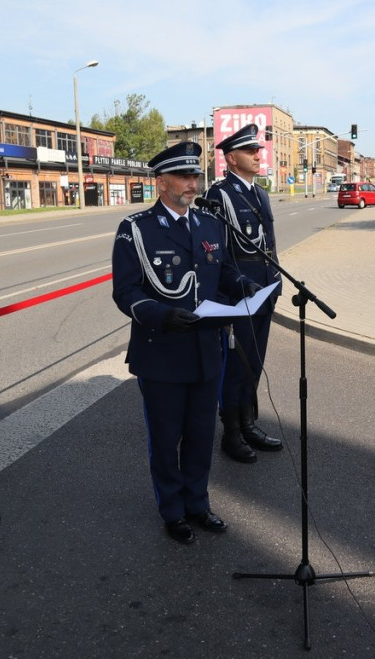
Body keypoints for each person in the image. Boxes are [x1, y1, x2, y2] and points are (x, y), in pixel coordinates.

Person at [112, 141, 258, 545]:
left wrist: (242, 283)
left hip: (206, 350)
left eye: (195, 175)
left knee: (199, 434)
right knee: (166, 436)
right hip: (162, 353)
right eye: (184, 176)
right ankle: (172, 510)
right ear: (161, 183)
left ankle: (198, 503)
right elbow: (125, 292)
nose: (193, 183)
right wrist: (161, 314)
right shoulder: (136, 229)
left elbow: (224, 271)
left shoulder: (209, 224)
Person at [204, 124, 283, 464]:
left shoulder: (260, 193)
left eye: (258, 150)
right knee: (235, 367)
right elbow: (216, 254)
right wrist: (233, 290)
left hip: (264, 289)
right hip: (237, 295)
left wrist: (275, 278)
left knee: (255, 363)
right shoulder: (219, 195)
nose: (258, 155)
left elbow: (269, 242)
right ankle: (231, 432)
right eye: (251, 151)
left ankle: (249, 423)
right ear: (232, 158)